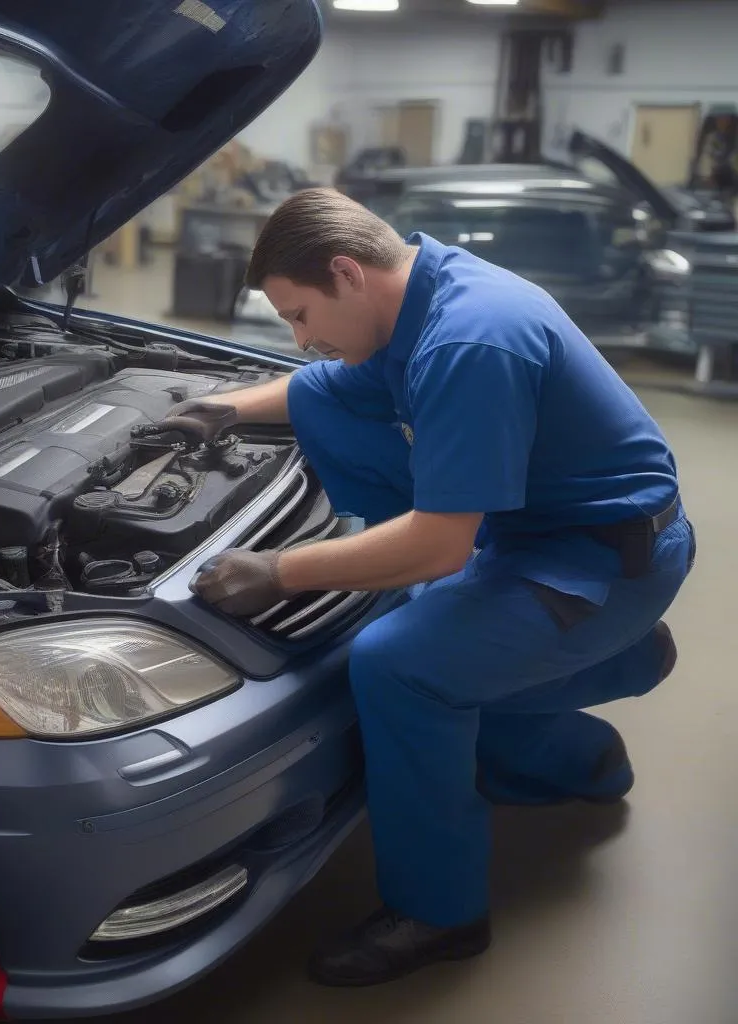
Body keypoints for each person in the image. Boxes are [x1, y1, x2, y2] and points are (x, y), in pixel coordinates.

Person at [145, 188, 696, 988]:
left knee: (397, 666)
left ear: (346, 272)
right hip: (536, 532)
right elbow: (328, 391)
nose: (302, 339)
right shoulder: (420, 290)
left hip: (602, 563)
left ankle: (441, 913)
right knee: (322, 405)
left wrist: (280, 571)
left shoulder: (471, 339)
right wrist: (219, 410)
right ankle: (586, 756)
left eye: (301, 315)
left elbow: (441, 545)